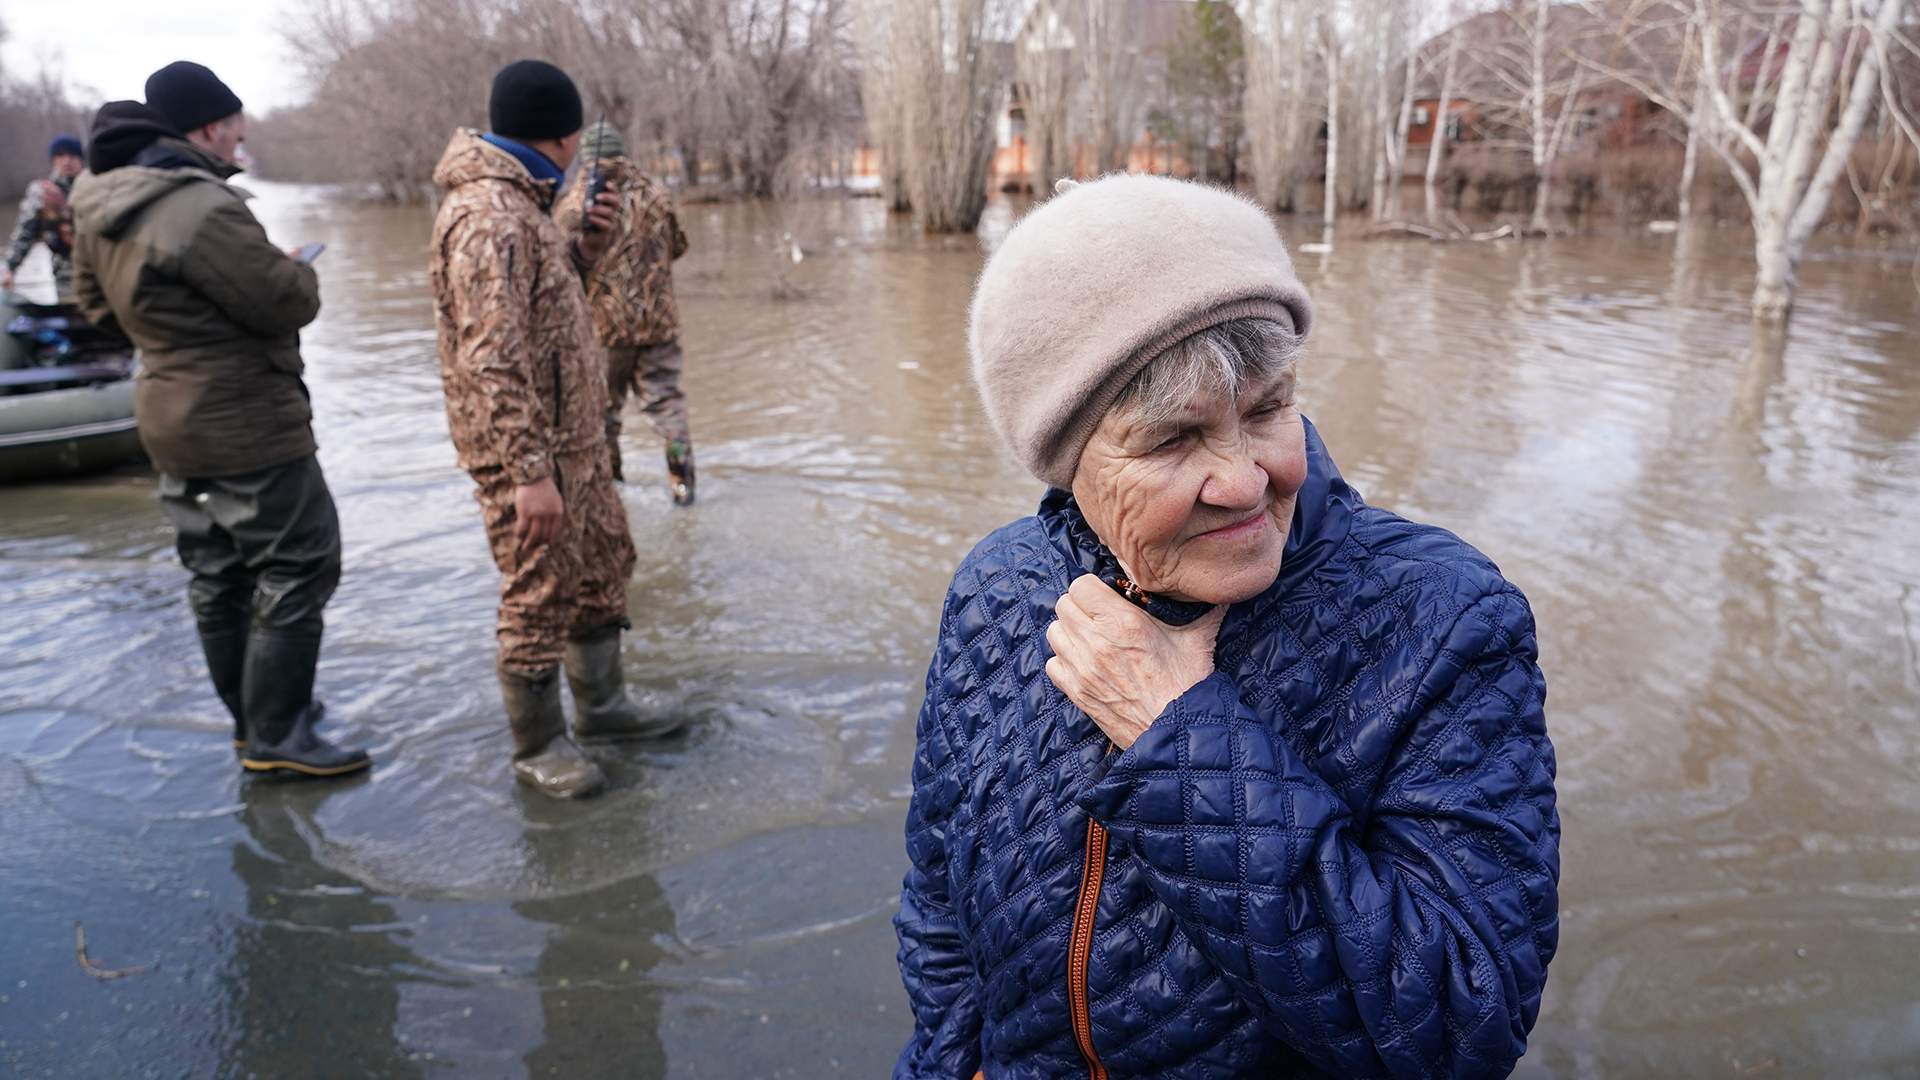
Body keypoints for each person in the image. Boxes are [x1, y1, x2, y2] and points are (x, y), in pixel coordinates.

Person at [893, 176, 1560, 1078]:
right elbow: (938, 903)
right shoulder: (999, 589)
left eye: (1267, 409)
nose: (1245, 481)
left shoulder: (1440, 618)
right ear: (1066, 459)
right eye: (1172, 440)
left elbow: (1457, 1027)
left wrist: (1182, 739)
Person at [69, 63, 369, 778]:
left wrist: (177, 332)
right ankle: (280, 735)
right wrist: (296, 267)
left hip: (167, 416)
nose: (240, 142)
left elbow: (95, 308)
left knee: (217, 573)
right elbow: (284, 302)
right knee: (300, 562)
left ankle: (255, 720)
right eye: (236, 128)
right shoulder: (201, 207)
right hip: (245, 419)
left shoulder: (98, 206)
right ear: (208, 128)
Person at [429, 60, 684, 801]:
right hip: (528, 456)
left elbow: (534, 313)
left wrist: (583, 252)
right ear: (565, 137)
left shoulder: (525, 206)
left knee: (604, 565)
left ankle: (602, 707)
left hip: (570, 445)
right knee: (538, 589)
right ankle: (538, 744)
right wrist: (528, 475)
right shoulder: (490, 217)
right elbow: (492, 357)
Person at [553, 120, 695, 503]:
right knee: (669, 411)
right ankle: (683, 490)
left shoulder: (573, 204)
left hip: (603, 331)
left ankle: (612, 498)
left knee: (602, 417)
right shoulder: (657, 195)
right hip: (657, 325)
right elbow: (679, 247)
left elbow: (561, 269)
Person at [3, 134, 85, 300]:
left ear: (81, 159)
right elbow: (25, 233)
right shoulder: (42, 192)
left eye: (72, 155)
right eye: (60, 156)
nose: (67, 161)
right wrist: (10, 269)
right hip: (65, 275)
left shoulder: (95, 187)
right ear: (53, 160)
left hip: (101, 272)